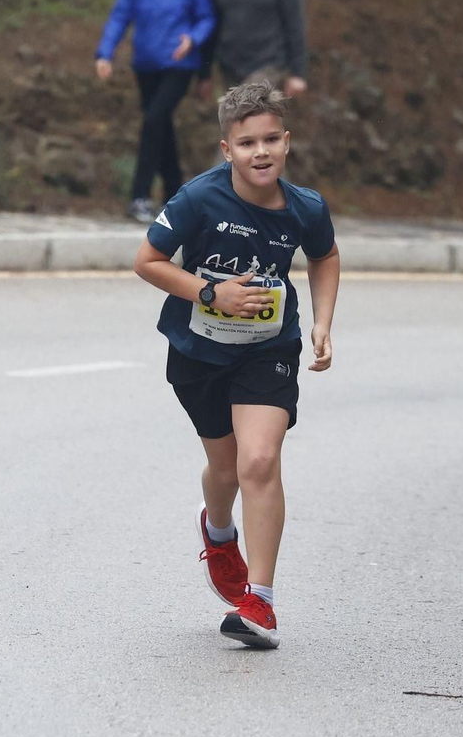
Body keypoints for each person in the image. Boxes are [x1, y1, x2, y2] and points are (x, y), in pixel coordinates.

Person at [133, 81, 341, 648]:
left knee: (259, 460)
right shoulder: (199, 199)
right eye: (247, 142)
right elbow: (147, 262)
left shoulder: (305, 206)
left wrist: (322, 321)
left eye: (271, 139)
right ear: (227, 149)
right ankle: (219, 532)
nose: (261, 152)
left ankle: (261, 600)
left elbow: (323, 255)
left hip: (268, 350)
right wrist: (209, 292)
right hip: (198, 351)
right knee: (224, 469)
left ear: (287, 142)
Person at [94, 0, 215, 224]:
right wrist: (105, 53)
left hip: (178, 63)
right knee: (162, 128)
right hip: (145, 64)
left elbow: (206, 17)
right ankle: (176, 195)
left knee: (153, 120)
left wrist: (193, 39)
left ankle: (139, 195)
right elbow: (121, 15)